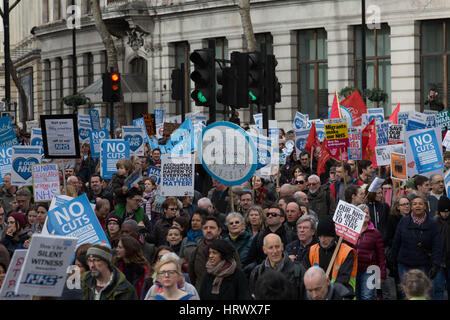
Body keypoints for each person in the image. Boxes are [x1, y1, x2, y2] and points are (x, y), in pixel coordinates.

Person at [390, 195, 442, 299]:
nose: (417, 206)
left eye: (420, 204)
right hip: (404, 264)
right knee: (406, 294)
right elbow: (396, 242)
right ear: (411, 207)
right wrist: (392, 261)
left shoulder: (432, 224)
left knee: (423, 293)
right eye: (414, 204)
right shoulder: (404, 221)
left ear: (425, 207)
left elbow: (437, 245)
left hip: (424, 265)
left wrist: (436, 264)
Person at [303, 215, 357, 296]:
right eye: (320, 236)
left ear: (333, 236)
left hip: (341, 294)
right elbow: (305, 273)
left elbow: (344, 278)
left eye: (326, 236)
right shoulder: (312, 250)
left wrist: (327, 290)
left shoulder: (346, 252)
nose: (323, 240)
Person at [249, 233, 306, 300]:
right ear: (264, 250)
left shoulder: (298, 270)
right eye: (270, 248)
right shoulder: (257, 273)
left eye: (277, 246)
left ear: (282, 246)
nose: (275, 251)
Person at [244, 204, 296, 269]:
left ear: (282, 219)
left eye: (274, 214)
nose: (270, 216)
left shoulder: (291, 236)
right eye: (268, 214)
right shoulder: (259, 236)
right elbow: (250, 260)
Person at [353, 204, 386, 300]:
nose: (366, 214)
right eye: (363, 212)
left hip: (370, 270)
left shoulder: (375, 233)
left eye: (367, 212)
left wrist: (382, 274)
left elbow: (381, 255)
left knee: (367, 297)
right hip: (354, 269)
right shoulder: (351, 231)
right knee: (356, 296)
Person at [188, 216, 223, 290]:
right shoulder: (196, 252)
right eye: (205, 228)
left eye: (212, 228)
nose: (208, 230)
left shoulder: (229, 249)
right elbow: (192, 275)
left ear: (219, 230)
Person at [434, 196, 450, 300]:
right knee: (438, 288)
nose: (445, 214)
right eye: (442, 212)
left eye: (447, 211)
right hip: (438, 262)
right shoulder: (434, 223)